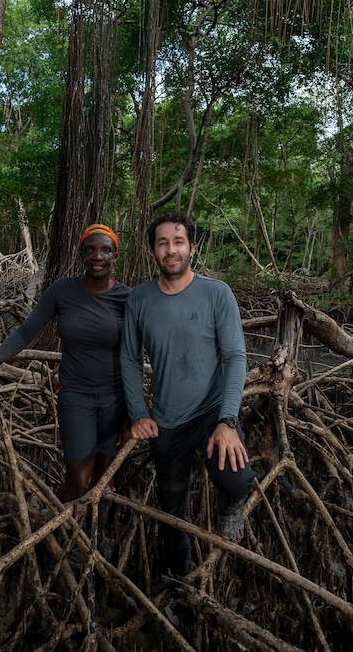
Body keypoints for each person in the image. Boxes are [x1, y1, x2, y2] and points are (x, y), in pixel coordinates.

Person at [120, 211, 255, 577]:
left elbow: (235, 356)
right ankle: (179, 577)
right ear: (153, 252)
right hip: (167, 419)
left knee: (239, 479)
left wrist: (227, 419)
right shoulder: (139, 300)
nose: (171, 250)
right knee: (171, 510)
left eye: (178, 242)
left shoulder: (217, 293)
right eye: (163, 243)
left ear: (191, 249)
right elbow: (129, 360)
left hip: (212, 412)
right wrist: (137, 414)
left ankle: (231, 506)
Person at [0, 224, 130, 503]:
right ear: (81, 255)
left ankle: (96, 541)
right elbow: (26, 331)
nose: (98, 256)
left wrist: (132, 414)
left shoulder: (128, 298)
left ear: (115, 256)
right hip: (75, 396)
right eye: (90, 250)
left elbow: (136, 354)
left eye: (106, 250)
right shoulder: (62, 290)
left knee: (107, 479)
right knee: (79, 479)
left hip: (116, 400)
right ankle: (62, 529)